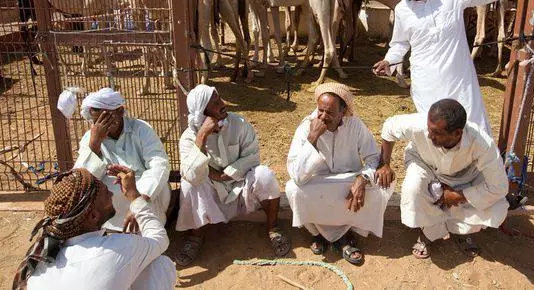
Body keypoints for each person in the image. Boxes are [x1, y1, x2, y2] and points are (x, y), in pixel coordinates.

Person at [372, 0, 522, 134]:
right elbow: (400, 43)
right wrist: (389, 60)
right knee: (436, 131)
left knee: (471, 127)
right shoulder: (402, 10)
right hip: (426, 82)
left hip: (459, 79)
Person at [174, 84, 290, 266]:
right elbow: (192, 175)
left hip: (239, 184)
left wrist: (225, 175)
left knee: (265, 175)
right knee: (189, 184)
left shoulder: (239, 124)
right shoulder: (189, 137)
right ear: (203, 112)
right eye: (215, 103)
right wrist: (202, 136)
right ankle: (195, 237)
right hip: (211, 189)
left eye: (219, 98)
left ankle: (273, 228)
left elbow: (253, 157)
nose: (222, 104)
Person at [377, 99, 509, 259]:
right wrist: (384, 164)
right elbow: (388, 127)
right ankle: (430, 233)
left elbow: (500, 187)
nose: (429, 135)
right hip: (424, 163)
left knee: (495, 206)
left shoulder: (481, 143)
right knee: (413, 188)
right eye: (429, 129)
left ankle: (460, 231)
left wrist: (460, 195)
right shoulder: (419, 124)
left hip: (463, 175)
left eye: (436, 133)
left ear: (457, 133)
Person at [13, 166, 176, 290]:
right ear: (92, 216)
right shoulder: (118, 248)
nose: (112, 195)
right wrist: (134, 195)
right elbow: (159, 239)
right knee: (158, 264)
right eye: (106, 194)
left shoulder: (40, 259)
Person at [286, 83, 394, 265]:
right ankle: (320, 233)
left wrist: (363, 178)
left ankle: (346, 233)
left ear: (342, 113)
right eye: (320, 110)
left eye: (329, 113)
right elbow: (297, 175)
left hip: (348, 181)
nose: (322, 116)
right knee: (293, 189)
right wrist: (312, 138)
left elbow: (373, 157)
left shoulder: (355, 125)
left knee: (386, 185)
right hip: (318, 182)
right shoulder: (307, 127)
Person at [73, 87, 171, 232]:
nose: (101, 124)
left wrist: (140, 200)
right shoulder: (90, 137)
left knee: (155, 188)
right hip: (109, 196)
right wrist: (95, 145)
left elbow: (159, 164)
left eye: (106, 118)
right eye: (97, 120)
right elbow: (80, 179)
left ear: (120, 111)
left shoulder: (141, 129)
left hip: (142, 189)